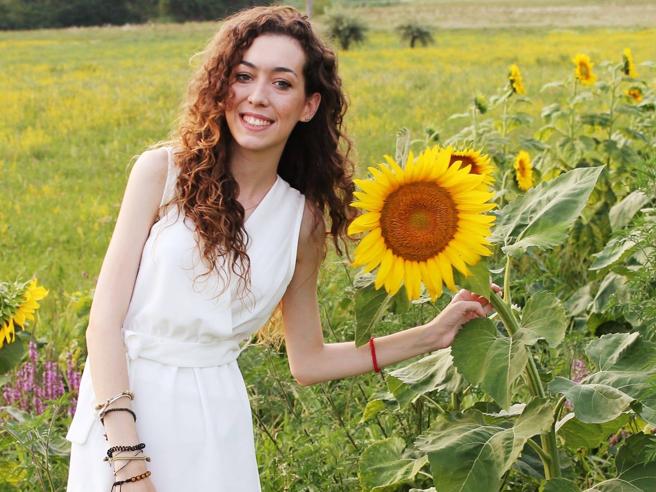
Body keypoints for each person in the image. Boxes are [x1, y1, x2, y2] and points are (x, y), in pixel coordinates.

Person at [65, 5, 494, 491]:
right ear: (222, 85)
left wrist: (433, 335)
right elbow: (103, 325)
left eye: (281, 83)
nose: (257, 97)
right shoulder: (161, 174)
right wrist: (128, 461)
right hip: (122, 410)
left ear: (309, 105)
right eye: (244, 76)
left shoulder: (301, 220)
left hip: (215, 425)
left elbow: (307, 361)